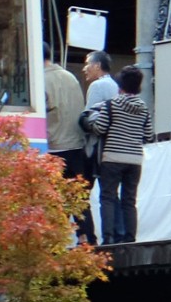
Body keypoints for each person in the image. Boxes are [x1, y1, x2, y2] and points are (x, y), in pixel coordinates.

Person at [84, 65, 149, 244]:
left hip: (112, 158)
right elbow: (149, 135)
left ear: (120, 86)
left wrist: (89, 123)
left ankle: (109, 238)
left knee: (108, 197)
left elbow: (100, 128)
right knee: (129, 200)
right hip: (135, 160)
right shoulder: (143, 107)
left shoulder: (111, 104)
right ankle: (130, 238)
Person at [76, 51, 116, 241]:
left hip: (94, 149)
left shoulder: (98, 86)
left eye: (87, 64)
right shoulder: (115, 85)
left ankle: (87, 238)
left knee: (80, 194)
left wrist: (82, 122)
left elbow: (89, 117)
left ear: (98, 66)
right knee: (111, 195)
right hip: (111, 147)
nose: (85, 68)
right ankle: (113, 235)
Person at [43, 47, 86, 188]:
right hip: (77, 146)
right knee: (78, 201)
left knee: (54, 201)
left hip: (54, 146)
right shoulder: (70, 76)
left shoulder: (40, 80)